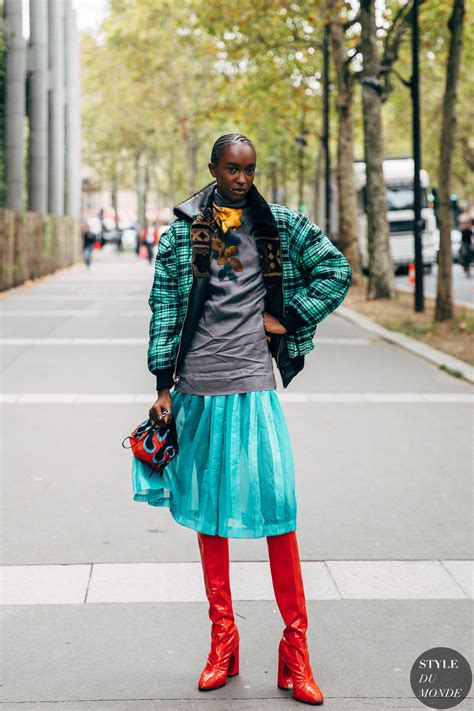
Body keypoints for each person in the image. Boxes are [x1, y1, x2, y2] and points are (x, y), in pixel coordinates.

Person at [132, 133, 352, 705]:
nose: (241, 179)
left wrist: (288, 316)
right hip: (198, 386)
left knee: (278, 509)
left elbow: (336, 271)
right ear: (213, 169)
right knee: (210, 513)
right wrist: (162, 384)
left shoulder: (277, 224)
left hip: (254, 384)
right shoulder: (187, 230)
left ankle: (295, 650)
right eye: (232, 169)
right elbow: (165, 303)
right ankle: (222, 642)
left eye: (250, 170)